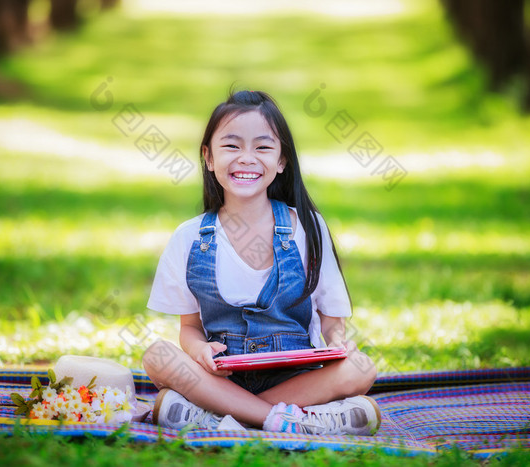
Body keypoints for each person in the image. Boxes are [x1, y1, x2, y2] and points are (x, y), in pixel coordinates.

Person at [143, 90, 380, 435]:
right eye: (232, 146)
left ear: (282, 161)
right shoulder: (189, 237)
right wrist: (199, 351)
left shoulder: (307, 227)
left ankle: (219, 417)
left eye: (263, 147)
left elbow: (333, 320)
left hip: (296, 376)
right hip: (222, 376)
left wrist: (336, 343)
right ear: (208, 157)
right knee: (156, 355)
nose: (247, 158)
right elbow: (189, 328)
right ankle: (294, 420)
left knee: (360, 367)